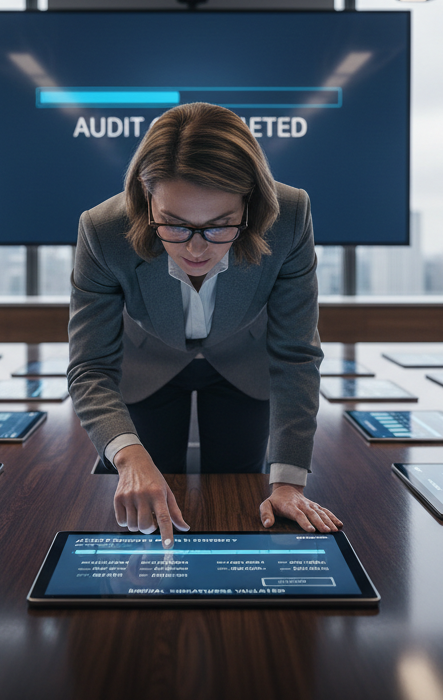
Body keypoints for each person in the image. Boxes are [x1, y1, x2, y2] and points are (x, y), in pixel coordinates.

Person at [67, 102, 341, 547]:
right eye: (174, 224)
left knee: (238, 500)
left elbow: (296, 354)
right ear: (145, 192)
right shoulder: (103, 230)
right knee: (141, 503)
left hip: (242, 360)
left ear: (250, 203)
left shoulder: (289, 215)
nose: (196, 248)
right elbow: (89, 366)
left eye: (219, 225)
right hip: (148, 360)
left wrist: (289, 483)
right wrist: (129, 455)